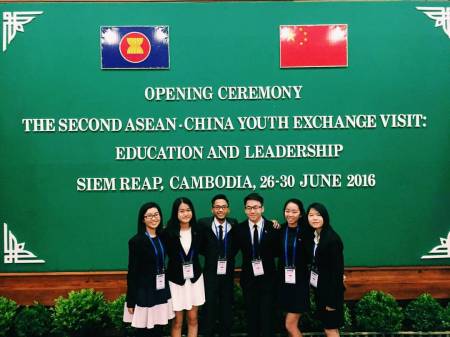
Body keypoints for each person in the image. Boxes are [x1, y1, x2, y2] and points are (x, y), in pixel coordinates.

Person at [123, 202, 174, 337]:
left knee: (159, 328)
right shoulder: (136, 241)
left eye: (156, 214)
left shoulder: (164, 237)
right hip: (145, 291)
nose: (154, 218)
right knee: (144, 330)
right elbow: (132, 272)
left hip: (161, 288)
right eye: (149, 215)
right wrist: (131, 299)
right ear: (143, 219)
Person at [234, 193, 279, 337]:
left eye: (255, 207)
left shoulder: (273, 227)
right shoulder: (239, 229)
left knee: (268, 319)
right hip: (249, 281)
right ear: (245, 210)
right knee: (252, 319)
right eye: (249, 208)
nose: (252, 211)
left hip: (269, 281)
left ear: (262, 208)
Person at [163, 197, 205, 337]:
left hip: (195, 281)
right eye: (181, 211)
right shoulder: (167, 233)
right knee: (177, 322)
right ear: (176, 213)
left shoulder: (199, 230)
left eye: (188, 210)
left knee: (193, 319)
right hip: (176, 282)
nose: (185, 214)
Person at [198, 194, 238, 337]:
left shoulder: (234, 224)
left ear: (228, 209)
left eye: (223, 207)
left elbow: (236, 247)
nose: (220, 210)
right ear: (212, 209)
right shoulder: (203, 224)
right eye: (217, 207)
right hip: (210, 273)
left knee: (226, 306)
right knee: (209, 307)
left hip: (228, 274)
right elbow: (200, 247)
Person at [306, 202, 345, 337]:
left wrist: (332, 302)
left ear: (325, 217)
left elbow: (337, 272)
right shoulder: (316, 236)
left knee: (331, 329)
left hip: (331, 294)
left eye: (318, 215)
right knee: (327, 328)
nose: (314, 218)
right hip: (321, 291)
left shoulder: (332, 239)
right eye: (311, 215)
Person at [277, 199, 310, 337]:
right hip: (285, 283)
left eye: (294, 211)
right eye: (287, 211)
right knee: (291, 326)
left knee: (289, 324)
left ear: (301, 214)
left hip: (300, 284)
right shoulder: (280, 229)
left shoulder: (307, 231)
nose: (290, 214)